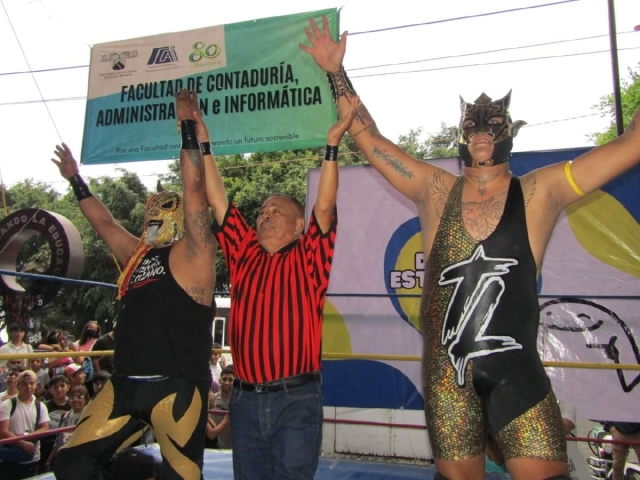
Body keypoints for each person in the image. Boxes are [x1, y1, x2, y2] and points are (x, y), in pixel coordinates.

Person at [301, 15, 640, 480]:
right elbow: (368, 138)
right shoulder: (434, 189)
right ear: (459, 132)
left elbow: (634, 142)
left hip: (516, 375)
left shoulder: (542, 190)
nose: (481, 128)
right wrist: (335, 72)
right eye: (471, 122)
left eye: (493, 121)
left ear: (510, 130)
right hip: (447, 382)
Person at [50, 89, 218, 480]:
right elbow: (104, 223)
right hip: (124, 386)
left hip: (175, 387)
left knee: (182, 477)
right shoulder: (137, 255)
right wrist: (75, 177)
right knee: (72, 464)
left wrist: (188, 128)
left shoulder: (196, 251)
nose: (155, 214)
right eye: (152, 210)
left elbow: (195, 191)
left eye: (165, 209)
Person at [196, 78, 358, 477]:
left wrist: (332, 146)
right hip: (245, 402)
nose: (265, 215)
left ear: (298, 225)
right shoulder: (243, 250)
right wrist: (205, 145)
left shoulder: (309, 256)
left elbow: (325, 206)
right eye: (263, 211)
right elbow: (218, 199)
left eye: (276, 212)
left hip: (296, 399)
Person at [0, 370, 50, 479]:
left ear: (36, 385)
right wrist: (22, 443)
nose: (28, 387)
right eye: (24, 383)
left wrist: (28, 437)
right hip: (9, 459)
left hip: (32, 458)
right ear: (18, 386)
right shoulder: (7, 405)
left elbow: (45, 428)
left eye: (31, 383)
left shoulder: (40, 406)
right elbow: (3, 431)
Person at [46, 385, 90, 470]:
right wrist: (50, 459)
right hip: (65, 458)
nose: (75, 399)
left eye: (79, 397)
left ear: (86, 399)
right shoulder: (65, 416)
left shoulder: (89, 416)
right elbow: (58, 441)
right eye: (72, 397)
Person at [205, 365, 234, 449]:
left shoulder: (237, 402)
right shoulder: (212, 401)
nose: (227, 382)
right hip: (217, 446)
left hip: (234, 447)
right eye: (224, 379)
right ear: (219, 381)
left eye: (230, 380)